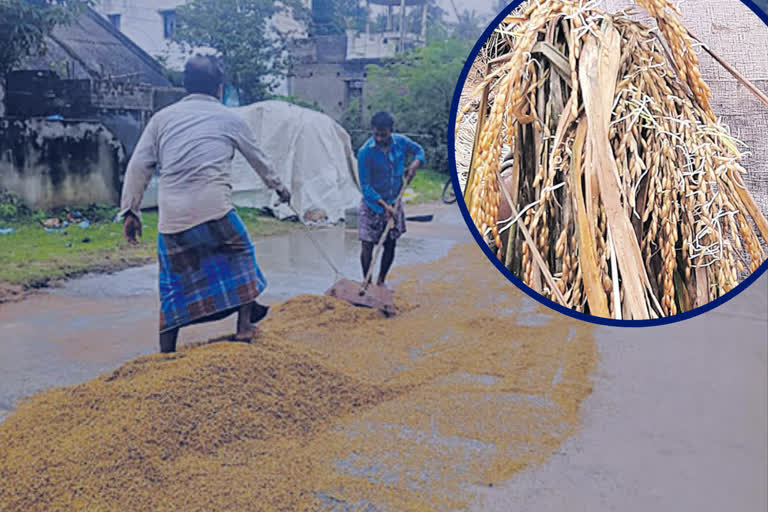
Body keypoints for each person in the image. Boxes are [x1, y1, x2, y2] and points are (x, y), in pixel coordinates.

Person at [119, 54, 291, 353]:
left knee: (172, 284)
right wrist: (280, 189)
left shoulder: (162, 118)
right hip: (215, 209)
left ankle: (166, 352)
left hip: (172, 216)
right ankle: (244, 326)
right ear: (219, 88)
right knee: (242, 256)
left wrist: (131, 211)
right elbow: (259, 159)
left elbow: (138, 165)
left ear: (185, 85)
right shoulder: (230, 118)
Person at [357, 111, 426, 287]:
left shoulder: (401, 142)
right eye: (376, 134)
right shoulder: (365, 152)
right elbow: (365, 186)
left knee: (390, 243)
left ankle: (381, 281)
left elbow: (419, 151)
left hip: (394, 199)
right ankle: (367, 282)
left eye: (384, 134)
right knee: (367, 245)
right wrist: (384, 207)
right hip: (373, 204)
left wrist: (415, 163)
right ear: (372, 131)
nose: (379, 138)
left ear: (391, 130)